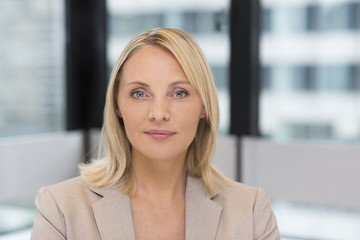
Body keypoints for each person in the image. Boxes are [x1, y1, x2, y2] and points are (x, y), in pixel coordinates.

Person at [31, 28, 280, 240]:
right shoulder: (60, 208)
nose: (159, 113)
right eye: (140, 93)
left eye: (179, 93)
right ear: (117, 105)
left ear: (204, 105)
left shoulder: (251, 211)